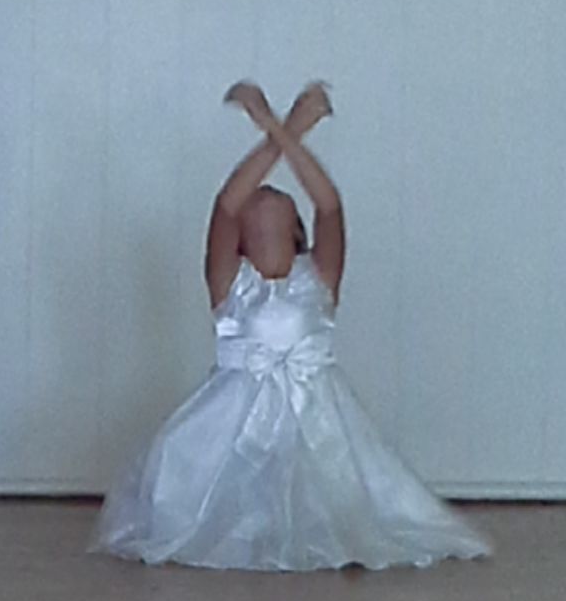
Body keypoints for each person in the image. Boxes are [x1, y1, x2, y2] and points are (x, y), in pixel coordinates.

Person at [89, 82, 492, 571]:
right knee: (197, 486)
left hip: (316, 416)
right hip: (231, 422)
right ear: (240, 239)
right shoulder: (230, 283)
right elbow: (226, 205)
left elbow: (329, 206)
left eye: (277, 201)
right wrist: (279, 127)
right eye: (255, 205)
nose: (263, 199)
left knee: (337, 502)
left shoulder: (317, 277)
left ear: (297, 229)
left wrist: (286, 131)